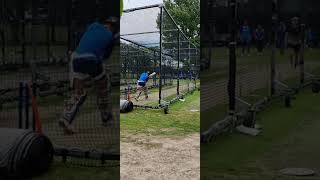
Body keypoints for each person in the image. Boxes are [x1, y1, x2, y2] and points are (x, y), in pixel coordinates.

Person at [58, 17, 120, 134]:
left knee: (79, 92)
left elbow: (79, 35)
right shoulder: (111, 36)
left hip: (75, 57)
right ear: (114, 28)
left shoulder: (93, 25)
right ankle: (106, 117)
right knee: (104, 86)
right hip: (91, 59)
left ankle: (65, 118)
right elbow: (106, 56)